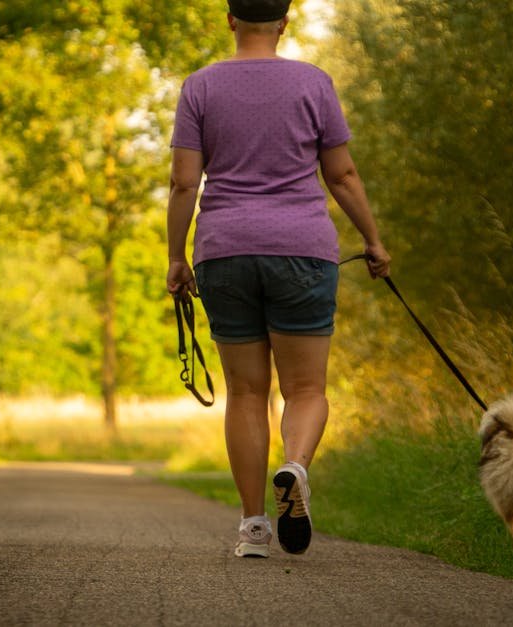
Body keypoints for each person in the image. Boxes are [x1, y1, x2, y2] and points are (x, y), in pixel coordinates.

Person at [166, 0, 390, 558]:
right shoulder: (313, 83)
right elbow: (340, 173)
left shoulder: (199, 87)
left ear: (230, 19)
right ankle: (294, 468)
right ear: (285, 21)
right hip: (302, 250)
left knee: (245, 392)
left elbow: (181, 184)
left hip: (224, 250)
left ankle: (253, 530)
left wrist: (176, 257)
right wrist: (373, 241)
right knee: (307, 390)